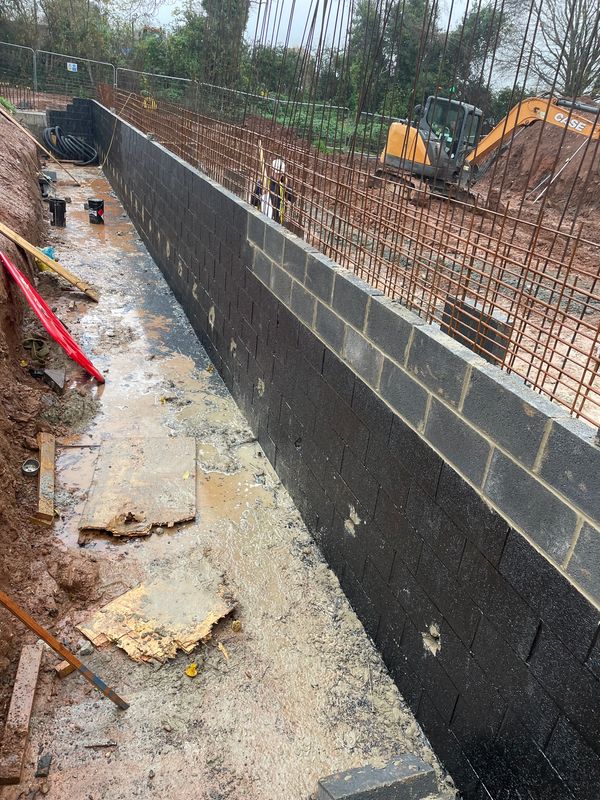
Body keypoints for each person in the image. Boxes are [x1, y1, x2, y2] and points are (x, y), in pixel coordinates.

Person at [251, 158, 294, 224]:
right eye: (277, 173)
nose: (278, 176)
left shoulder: (283, 186)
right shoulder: (262, 183)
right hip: (263, 219)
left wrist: (287, 185)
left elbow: (293, 199)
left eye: (280, 174)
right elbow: (253, 202)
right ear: (272, 171)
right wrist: (261, 194)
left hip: (277, 222)